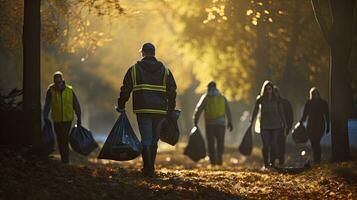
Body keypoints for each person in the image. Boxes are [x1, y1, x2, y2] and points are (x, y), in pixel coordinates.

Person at [117, 42, 177, 177]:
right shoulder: (165, 70)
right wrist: (171, 108)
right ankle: (151, 167)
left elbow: (125, 89)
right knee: (154, 140)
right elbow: (172, 91)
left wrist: (121, 104)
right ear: (154, 53)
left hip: (143, 110)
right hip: (160, 111)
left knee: (146, 139)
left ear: (143, 53)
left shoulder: (134, 70)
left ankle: (147, 168)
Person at [43, 71, 81, 163]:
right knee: (60, 139)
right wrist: (45, 116)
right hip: (57, 119)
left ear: (62, 81)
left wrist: (79, 117)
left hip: (67, 119)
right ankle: (64, 158)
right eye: (56, 82)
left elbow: (76, 104)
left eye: (59, 82)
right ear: (54, 82)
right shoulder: (50, 91)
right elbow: (47, 104)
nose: (58, 84)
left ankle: (65, 160)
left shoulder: (69, 90)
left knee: (64, 138)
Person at [193, 81, 233, 165]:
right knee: (220, 142)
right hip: (221, 124)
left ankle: (213, 162)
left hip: (210, 124)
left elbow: (198, 109)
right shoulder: (222, 97)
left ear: (208, 88)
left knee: (211, 142)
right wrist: (230, 122)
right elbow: (228, 110)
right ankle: (219, 159)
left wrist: (195, 121)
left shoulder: (206, 97)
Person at [250, 81, 286, 168]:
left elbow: (281, 112)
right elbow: (255, 111)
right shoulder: (260, 99)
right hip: (264, 126)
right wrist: (252, 121)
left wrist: (284, 123)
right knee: (266, 145)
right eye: (266, 89)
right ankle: (266, 163)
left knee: (273, 144)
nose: (268, 91)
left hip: (275, 125)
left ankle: (272, 163)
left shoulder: (277, 99)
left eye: (270, 89)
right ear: (264, 90)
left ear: (272, 89)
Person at [300, 87, 329, 164]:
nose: (314, 95)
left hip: (320, 125)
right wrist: (301, 122)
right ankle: (316, 158)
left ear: (318, 94)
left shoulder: (323, 103)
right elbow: (305, 114)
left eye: (315, 94)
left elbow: (327, 115)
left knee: (317, 141)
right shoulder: (309, 103)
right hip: (311, 126)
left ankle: (318, 159)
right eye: (313, 94)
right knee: (313, 142)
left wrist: (328, 126)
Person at [274, 86, 293, 166]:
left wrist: (288, 127)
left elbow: (290, 116)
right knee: (273, 144)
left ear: (278, 93)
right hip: (272, 127)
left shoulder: (285, 103)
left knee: (281, 144)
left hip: (283, 128)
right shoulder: (270, 103)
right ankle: (274, 161)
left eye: (275, 93)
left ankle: (281, 162)